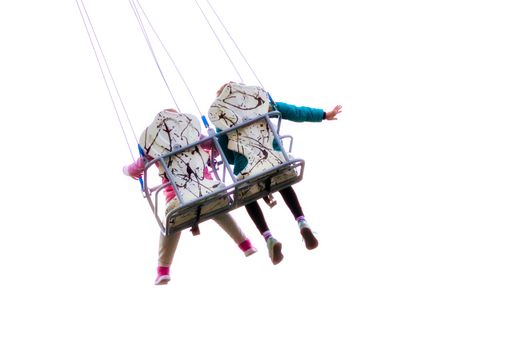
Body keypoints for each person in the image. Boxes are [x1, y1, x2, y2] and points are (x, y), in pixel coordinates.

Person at [208, 82, 342, 265]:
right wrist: (323, 115)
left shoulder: (221, 121)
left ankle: (268, 237)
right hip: (275, 159)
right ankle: (302, 221)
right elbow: (293, 111)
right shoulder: (261, 103)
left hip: (247, 169)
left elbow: (226, 152)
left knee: (247, 196)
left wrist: (239, 156)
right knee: (282, 181)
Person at [123, 109, 257, 285]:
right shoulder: (193, 135)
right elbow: (213, 146)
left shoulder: (152, 147)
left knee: (171, 225)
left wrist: (125, 169)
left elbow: (135, 169)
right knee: (219, 211)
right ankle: (245, 244)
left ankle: (163, 269)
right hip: (207, 188)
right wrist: (210, 139)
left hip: (177, 198)